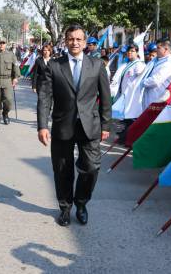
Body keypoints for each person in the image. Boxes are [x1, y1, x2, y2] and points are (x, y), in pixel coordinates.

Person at [37, 25, 112, 227]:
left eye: (79, 39)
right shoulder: (54, 65)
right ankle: (65, 208)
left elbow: (106, 97)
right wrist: (42, 125)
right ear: (65, 41)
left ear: (85, 42)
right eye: (71, 39)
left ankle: (81, 203)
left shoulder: (96, 65)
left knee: (91, 168)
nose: (75, 43)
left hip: (90, 126)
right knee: (62, 169)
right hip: (63, 125)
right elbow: (45, 97)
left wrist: (106, 125)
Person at [0, 37, 20, 127]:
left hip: (7, 80)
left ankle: (5, 114)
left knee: (8, 101)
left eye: (3, 43)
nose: (1, 44)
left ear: (6, 44)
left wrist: (15, 78)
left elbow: (16, 67)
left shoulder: (11, 55)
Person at [142, 39, 171, 110]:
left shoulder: (168, 64)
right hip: (149, 97)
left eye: (158, 48)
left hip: (157, 98)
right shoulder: (156, 60)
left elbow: (155, 80)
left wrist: (142, 81)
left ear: (166, 49)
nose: (156, 50)